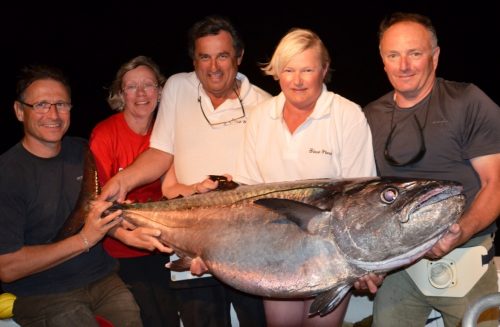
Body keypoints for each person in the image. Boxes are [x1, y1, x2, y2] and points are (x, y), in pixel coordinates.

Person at [99, 16, 270, 326]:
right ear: (194, 60)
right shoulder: (178, 87)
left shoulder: (266, 105)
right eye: (204, 56)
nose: (213, 66)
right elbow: (161, 152)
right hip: (189, 241)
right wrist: (122, 180)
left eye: (223, 55)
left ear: (239, 56)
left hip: (247, 247)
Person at [363, 12, 500, 327]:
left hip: (464, 258)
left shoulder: (467, 101)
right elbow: (365, 201)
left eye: (414, 53)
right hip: (399, 268)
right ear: (383, 61)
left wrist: (460, 231)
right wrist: (364, 262)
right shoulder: (371, 115)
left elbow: (496, 183)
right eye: (393, 55)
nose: (404, 65)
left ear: (435, 57)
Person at [235, 28, 377, 327]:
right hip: (273, 249)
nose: (297, 80)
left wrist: (365, 262)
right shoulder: (260, 117)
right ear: (276, 72)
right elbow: (246, 192)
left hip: (330, 253)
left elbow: (362, 198)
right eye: (288, 70)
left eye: (307, 70)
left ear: (323, 70)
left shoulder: (347, 115)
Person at [0, 64, 143, 326]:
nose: (53, 114)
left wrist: (129, 226)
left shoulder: (81, 151)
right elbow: (7, 268)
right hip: (43, 292)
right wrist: (85, 239)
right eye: (41, 105)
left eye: (61, 104)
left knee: (132, 314)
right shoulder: (7, 175)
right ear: (20, 111)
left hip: (101, 279)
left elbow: (98, 209)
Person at [89, 55, 180, 326]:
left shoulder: (168, 133)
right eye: (131, 87)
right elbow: (95, 202)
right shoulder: (105, 135)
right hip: (118, 251)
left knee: (171, 317)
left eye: (148, 85)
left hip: (164, 245)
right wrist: (126, 235)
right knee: (145, 316)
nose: (141, 94)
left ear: (160, 91)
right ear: (120, 94)